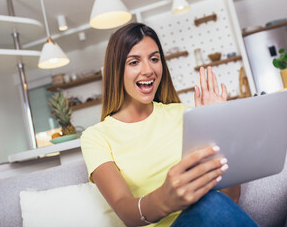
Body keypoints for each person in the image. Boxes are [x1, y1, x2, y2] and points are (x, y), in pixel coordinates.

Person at [81, 23, 257, 227]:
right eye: (134, 62)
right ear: (116, 70)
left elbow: (231, 197)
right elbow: (123, 210)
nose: (148, 70)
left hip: (211, 217)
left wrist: (217, 124)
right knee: (211, 203)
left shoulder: (182, 113)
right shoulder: (96, 137)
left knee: (212, 202)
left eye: (154, 59)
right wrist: (164, 200)